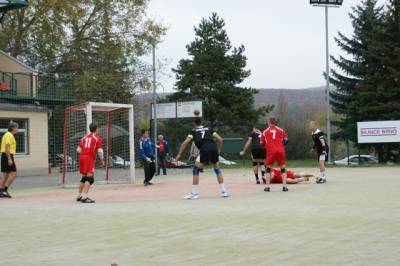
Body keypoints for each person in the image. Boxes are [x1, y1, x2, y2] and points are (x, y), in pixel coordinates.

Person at [176, 117, 228, 199]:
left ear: (194, 123)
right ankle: (224, 191)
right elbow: (220, 140)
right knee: (217, 169)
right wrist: (218, 151)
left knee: (196, 170)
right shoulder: (208, 129)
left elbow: (185, 143)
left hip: (205, 149)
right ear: (201, 122)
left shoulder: (193, 131)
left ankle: (194, 193)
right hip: (213, 147)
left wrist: (179, 154)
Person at [76, 122, 104, 203]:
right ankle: (85, 197)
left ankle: (79, 196)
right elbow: (100, 151)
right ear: (96, 129)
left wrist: (84, 153)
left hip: (82, 157)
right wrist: (102, 160)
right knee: (90, 178)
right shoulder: (97, 138)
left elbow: (78, 150)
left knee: (84, 178)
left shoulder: (84, 138)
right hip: (89, 158)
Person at [260, 116, 289, 192]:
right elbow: (286, 140)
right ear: (275, 122)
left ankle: (267, 187)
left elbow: (261, 143)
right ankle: (284, 187)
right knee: (283, 168)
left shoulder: (265, 132)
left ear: (269, 122)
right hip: (280, 150)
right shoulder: (281, 130)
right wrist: (281, 144)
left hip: (271, 151)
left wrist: (265, 145)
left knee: (268, 169)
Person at [0, 122, 19, 198]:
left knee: (6, 176)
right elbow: (7, 147)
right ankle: (4, 190)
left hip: (5, 155)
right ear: (13, 128)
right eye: (17, 128)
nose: (17, 129)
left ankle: (1, 191)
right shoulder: (9, 135)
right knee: (14, 174)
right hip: (7, 155)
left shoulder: (8, 135)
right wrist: (9, 159)